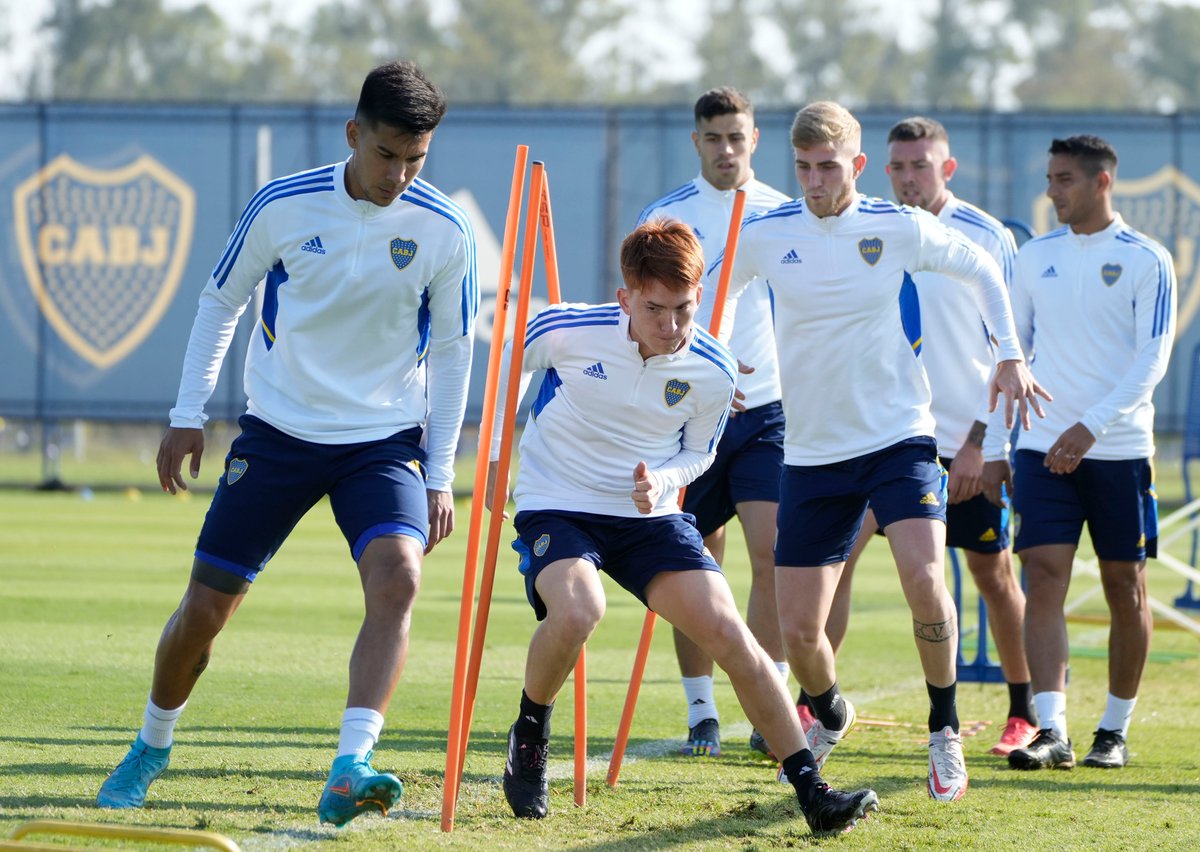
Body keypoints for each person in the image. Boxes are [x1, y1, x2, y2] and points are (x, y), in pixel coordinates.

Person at [96, 61, 479, 826]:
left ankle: (350, 765)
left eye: (417, 159)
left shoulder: (445, 229)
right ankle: (151, 744)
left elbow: (454, 352)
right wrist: (186, 411)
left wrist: (439, 474)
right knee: (206, 610)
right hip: (277, 433)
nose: (399, 175)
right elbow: (219, 301)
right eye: (386, 155)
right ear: (353, 134)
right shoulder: (282, 204)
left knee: (399, 576)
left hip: (381, 442)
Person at [490, 220, 878, 836]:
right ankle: (530, 733)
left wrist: (665, 479)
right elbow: (503, 374)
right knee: (577, 611)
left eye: (684, 309)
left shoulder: (716, 368)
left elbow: (700, 452)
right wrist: (490, 464)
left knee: (734, 637)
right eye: (654, 309)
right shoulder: (566, 328)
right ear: (625, 298)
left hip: (649, 517)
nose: (671, 326)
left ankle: (812, 791)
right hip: (557, 502)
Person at [708, 101, 1048, 802]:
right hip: (810, 453)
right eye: (802, 167)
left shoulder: (893, 225)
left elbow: (983, 268)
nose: (814, 180)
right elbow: (714, 293)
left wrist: (1009, 356)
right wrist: (717, 368)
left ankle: (944, 729)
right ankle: (831, 709)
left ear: (857, 166)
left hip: (899, 437)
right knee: (800, 631)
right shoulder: (767, 234)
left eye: (828, 167)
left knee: (925, 578)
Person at [820, 116, 1038, 757]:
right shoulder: (874, 228)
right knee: (837, 560)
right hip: (884, 435)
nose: (908, 176)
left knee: (991, 573)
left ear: (947, 168)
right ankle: (817, 705)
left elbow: (1012, 346)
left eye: (921, 165)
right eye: (898, 166)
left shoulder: (985, 236)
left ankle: (1022, 710)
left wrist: (982, 441)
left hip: (967, 440)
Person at [1003, 135, 1176, 772]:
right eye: (1050, 178)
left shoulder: (1147, 259)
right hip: (1040, 446)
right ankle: (1051, 730)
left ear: (1103, 182)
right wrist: (1000, 443)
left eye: (1065, 180)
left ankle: (1114, 729)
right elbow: (1013, 354)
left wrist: (1093, 426)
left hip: (1119, 450)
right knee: (1042, 575)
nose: (1052, 192)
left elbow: (1151, 360)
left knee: (1122, 586)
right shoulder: (1033, 256)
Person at [636, 86, 792, 758]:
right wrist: (696, 375)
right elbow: (640, 317)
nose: (725, 149)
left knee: (774, 554)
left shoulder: (785, 213)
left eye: (737, 136)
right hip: (691, 410)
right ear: (695, 142)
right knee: (695, 561)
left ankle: (772, 707)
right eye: (713, 138)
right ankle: (702, 710)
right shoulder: (668, 216)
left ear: (754, 139)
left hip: (767, 412)